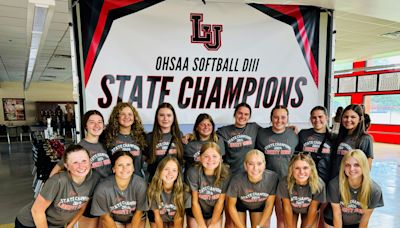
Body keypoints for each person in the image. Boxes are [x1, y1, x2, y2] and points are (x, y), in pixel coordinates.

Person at [49, 110, 112, 228]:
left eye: (100, 122)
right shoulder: (80, 147)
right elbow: (57, 169)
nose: (96, 125)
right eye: (92, 122)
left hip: (105, 195)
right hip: (89, 198)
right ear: (85, 126)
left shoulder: (104, 145)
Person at [15, 144, 100, 228]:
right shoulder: (57, 181)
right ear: (67, 166)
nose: (81, 166)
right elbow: (37, 211)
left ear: (90, 161)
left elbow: (82, 206)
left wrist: (70, 225)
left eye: (84, 161)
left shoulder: (94, 179)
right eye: (75, 162)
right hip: (30, 223)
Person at [255, 105, 298, 228]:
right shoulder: (262, 134)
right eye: (276, 117)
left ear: (288, 118)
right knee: (264, 220)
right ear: (271, 118)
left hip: (285, 183)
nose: (279, 120)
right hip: (265, 183)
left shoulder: (294, 135)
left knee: (282, 219)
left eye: (283, 117)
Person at [324, 150, 384, 227]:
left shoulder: (374, 190)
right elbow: (337, 215)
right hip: (332, 220)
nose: (352, 169)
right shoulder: (335, 185)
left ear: (364, 166)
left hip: (355, 223)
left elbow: (365, 219)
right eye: (348, 165)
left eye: (357, 165)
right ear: (343, 167)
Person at [91, 151, 148, 228]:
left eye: (128, 164)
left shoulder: (140, 184)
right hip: (114, 219)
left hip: (135, 218)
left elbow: (139, 213)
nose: (125, 168)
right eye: (120, 165)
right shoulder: (103, 187)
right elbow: (105, 217)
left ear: (133, 168)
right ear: (114, 169)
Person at [227, 149, 278, 228]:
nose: (255, 168)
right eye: (251, 164)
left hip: (259, 206)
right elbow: (231, 206)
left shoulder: (272, 178)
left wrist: (259, 226)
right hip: (240, 204)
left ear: (264, 164)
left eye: (259, 163)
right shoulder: (236, 180)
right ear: (245, 165)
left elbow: (269, 205)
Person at [186, 142, 230, 228]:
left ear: (220, 158)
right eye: (206, 156)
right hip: (196, 209)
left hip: (214, 210)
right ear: (200, 158)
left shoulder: (226, 173)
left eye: (214, 156)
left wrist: (212, 223)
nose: (210, 160)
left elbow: (220, 202)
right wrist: (202, 225)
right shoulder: (193, 172)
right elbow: (194, 202)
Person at [278, 153, 326, 228]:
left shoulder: (319, 184)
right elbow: (287, 207)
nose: (301, 172)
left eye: (305, 168)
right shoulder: (284, 183)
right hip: (292, 209)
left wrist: (309, 226)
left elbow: (313, 208)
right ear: (291, 169)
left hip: (309, 210)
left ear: (311, 169)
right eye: (297, 168)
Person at [331, 104, 374, 179]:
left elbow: (367, 166)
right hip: (335, 180)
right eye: (345, 117)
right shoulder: (339, 137)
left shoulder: (365, 139)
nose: (348, 120)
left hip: (351, 181)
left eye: (353, 117)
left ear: (360, 119)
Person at [217, 102, 260, 175]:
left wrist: (286, 128)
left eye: (246, 114)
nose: (242, 116)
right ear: (235, 114)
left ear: (249, 117)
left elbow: (270, 132)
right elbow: (208, 135)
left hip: (250, 173)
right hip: (231, 174)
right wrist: (192, 135)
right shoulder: (223, 131)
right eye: (240, 113)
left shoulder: (254, 127)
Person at [104, 102, 146, 177]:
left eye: (130, 114)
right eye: (123, 114)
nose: (127, 117)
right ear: (116, 117)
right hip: (116, 182)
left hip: (136, 182)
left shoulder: (142, 137)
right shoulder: (107, 137)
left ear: (134, 117)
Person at [147, 156, 191, 228]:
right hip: (160, 218)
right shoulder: (153, 190)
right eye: (166, 169)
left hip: (174, 220)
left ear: (178, 174)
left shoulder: (184, 192)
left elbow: (178, 218)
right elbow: (157, 218)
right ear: (160, 171)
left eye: (174, 170)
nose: (170, 173)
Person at [145, 102, 184, 182]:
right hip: (155, 181)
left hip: (174, 181)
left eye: (169, 115)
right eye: (162, 115)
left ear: (173, 118)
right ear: (157, 117)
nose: (165, 119)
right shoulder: (149, 137)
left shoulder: (179, 135)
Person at [296, 106, 333, 183]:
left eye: (320, 117)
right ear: (310, 119)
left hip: (324, 180)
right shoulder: (303, 134)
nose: (317, 120)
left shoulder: (333, 137)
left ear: (327, 117)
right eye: (314, 117)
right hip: (305, 178)